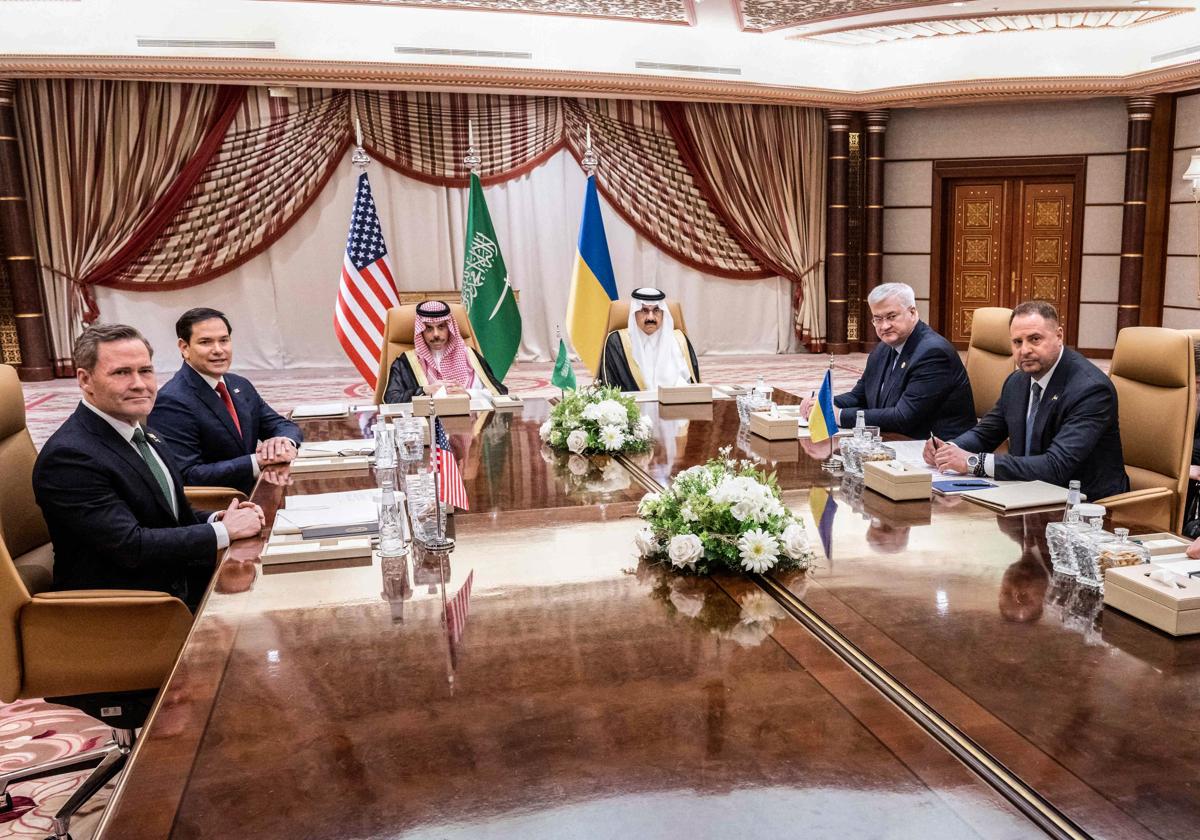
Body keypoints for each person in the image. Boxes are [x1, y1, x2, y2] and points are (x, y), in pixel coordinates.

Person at [33, 324, 265, 610]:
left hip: (179, 581)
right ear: (85, 380)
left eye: (145, 371)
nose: (139, 384)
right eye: (121, 373)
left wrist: (217, 519)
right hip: (132, 608)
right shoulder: (70, 457)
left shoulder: (142, 433)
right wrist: (224, 532)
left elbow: (166, 514)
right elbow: (131, 546)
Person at [924, 300, 1129, 501]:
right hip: (1025, 493)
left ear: (1059, 336)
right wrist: (948, 450)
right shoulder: (1017, 381)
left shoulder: (1090, 389)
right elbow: (985, 434)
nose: (1025, 350)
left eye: (1035, 339)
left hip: (1083, 507)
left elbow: (1056, 466)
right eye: (1017, 342)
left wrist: (973, 462)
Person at [150, 308, 302, 495]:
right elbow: (188, 474)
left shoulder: (239, 384)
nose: (218, 350)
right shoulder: (172, 401)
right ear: (184, 347)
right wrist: (257, 461)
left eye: (224, 340)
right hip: (220, 507)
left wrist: (283, 442)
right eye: (206, 342)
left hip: (258, 490)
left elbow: (281, 425)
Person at [799, 282, 974, 439]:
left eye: (891, 317)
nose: (884, 326)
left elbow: (903, 418)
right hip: (894, 438)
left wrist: (838, 416)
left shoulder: (933, 353)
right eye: (878, 319)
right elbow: (859, 396)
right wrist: (824, 403)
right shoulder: (883, 348)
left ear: (912, 312)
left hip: (936, 448)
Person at [383, 300, 508, 404]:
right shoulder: (406, 362)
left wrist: (468, 394)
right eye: (429, 328)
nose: (436, 334)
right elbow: (391, 399)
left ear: (450, 328)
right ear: (420, 331)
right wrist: (425, 391)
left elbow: (499, 393)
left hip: (469, 424)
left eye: (441, 327)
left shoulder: (470, 357)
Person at [598, 287, 700, 392]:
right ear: (634, 313)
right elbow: (610, 388)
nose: (650, 318)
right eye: (644, 310)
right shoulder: (618, 342)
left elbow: (693, 385)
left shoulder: (679, 340)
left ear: (663, 313)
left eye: (656, 310)